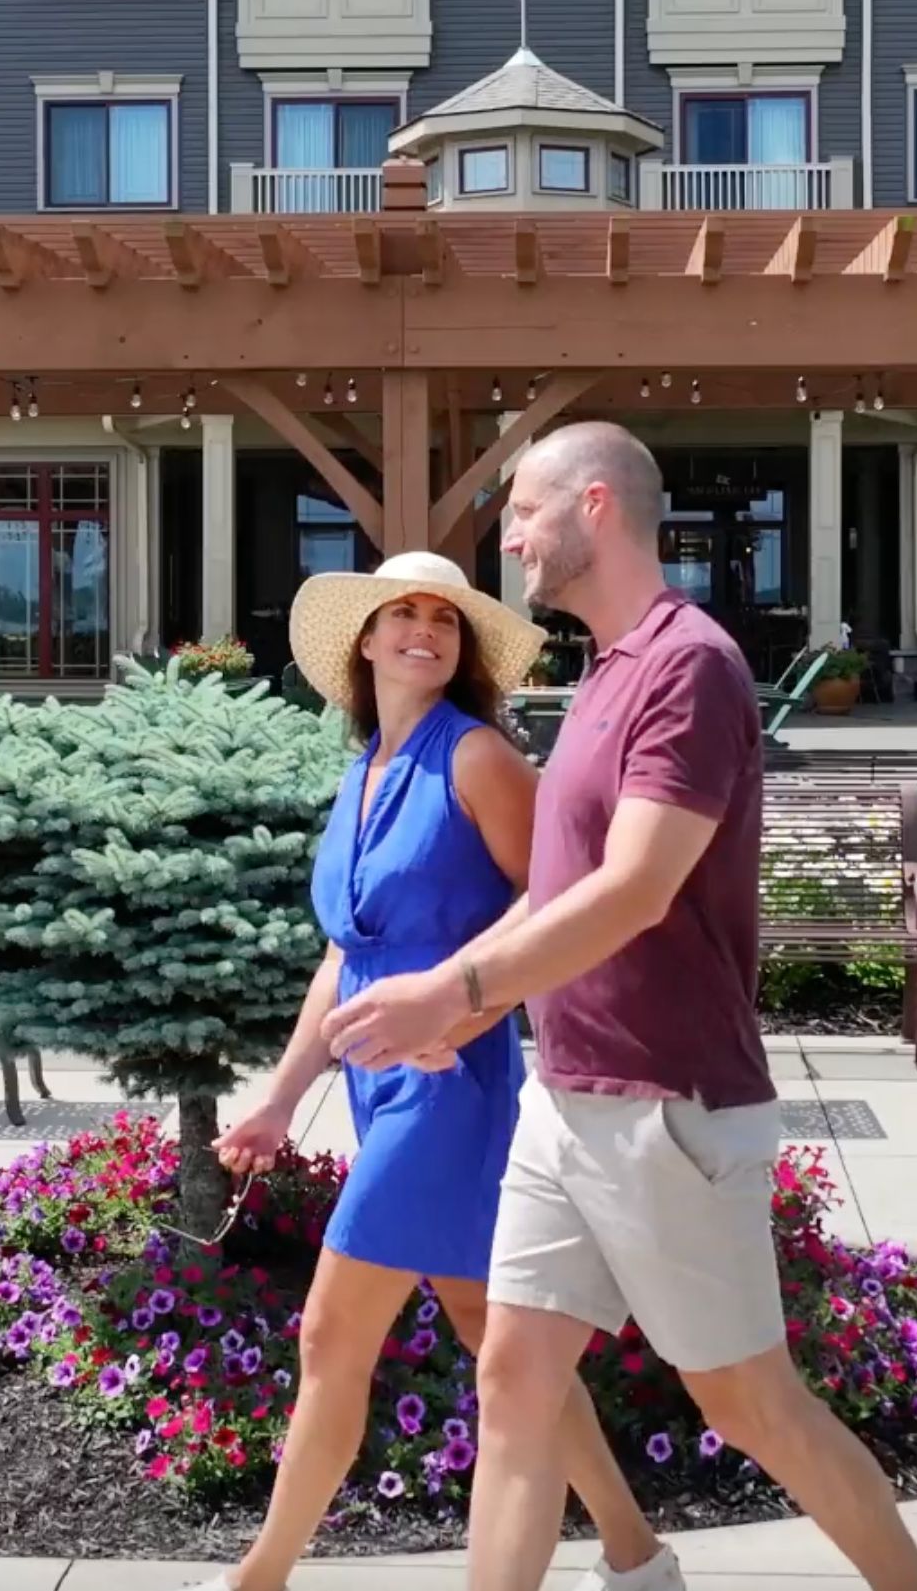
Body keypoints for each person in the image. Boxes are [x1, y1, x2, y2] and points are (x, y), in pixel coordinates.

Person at [321, 426, 917, 1591]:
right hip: (563, 1097)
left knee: (750, 1403)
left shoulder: (686, 666)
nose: (511, 537)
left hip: (667, 1103)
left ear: (594, 504)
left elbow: (636, 887)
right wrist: (458, 1007)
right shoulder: (607, 669)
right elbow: (554, 891)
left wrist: (454, 988)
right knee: (512, 1380)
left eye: (522, 509)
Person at [205, 550, 683, 1591]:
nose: (423, 628)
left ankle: (259, 1576)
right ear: (365, 640)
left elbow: (556, 903)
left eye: (444, 617)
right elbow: (345, 955)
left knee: (331, 1332)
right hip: (378, 1080)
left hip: (449, 1083)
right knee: (491, 1329)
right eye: (403, 613)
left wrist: (465, 1010)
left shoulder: (476, 756)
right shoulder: (364, 769)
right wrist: (280, 1099)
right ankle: (636, 1554)